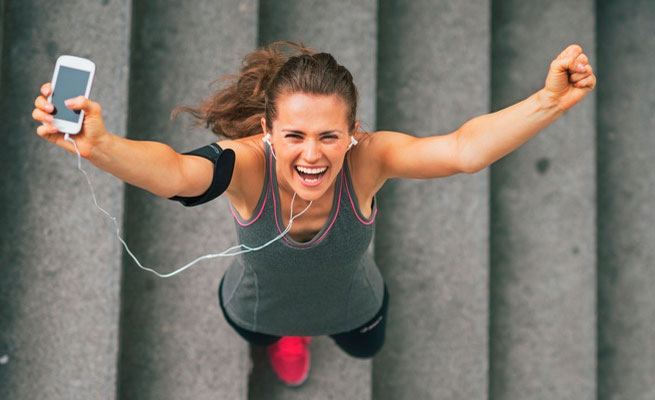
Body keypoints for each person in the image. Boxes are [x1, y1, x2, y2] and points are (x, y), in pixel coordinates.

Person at [32, 41, 596, 387]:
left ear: (353, 133)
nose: (311, 154)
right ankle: (287, 337)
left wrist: (547, 101)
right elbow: (177, 173)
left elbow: (462, 150)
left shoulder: (368, 160)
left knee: (365, 348)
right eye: (294, 135)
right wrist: (100, 146)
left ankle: (304, 332)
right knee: (268, 334)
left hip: (357, 305)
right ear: (266, 132)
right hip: (256, 306)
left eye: (330, 135)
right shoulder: (247, 166)